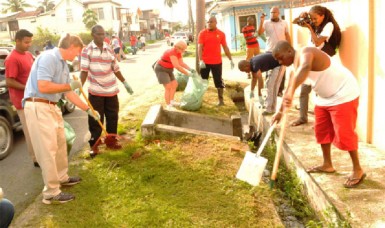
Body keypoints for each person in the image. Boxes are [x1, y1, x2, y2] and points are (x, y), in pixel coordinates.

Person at [271, 41, 365, 188]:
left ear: (289, 51)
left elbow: (306, 67)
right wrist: (280, 112)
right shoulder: (293, 70)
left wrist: (291, 90)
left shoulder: (307, 51)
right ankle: (327, 164)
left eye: (280, 57)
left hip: (344, 94)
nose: (280, 61)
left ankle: (357, 169)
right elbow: (290, 88)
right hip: (324, 98)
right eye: (277, 60)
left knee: (344, 133)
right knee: (321, 131)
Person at [23, 34, 100, 204]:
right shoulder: (49, 58)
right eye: (78, 52)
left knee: (60, 144)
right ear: (71, 46)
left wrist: (88, 110)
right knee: (47, 150)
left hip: (52, 105)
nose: (77, 56)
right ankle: (51, 192)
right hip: (38, 105)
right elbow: (43, 85)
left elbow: (69, 93)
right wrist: (68, 86)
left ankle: (62, 177)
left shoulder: (64, 65)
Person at [80, 25, 134, 158]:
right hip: (96, 91)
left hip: (111, 90)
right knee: (95, 120)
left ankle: (111, 142)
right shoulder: (87, 51)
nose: (102, 37)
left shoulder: (109, 48)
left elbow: (115, 68)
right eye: (99, 34)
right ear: (93, 35)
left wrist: (125, 82)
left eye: (104, 34)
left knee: (112, 117)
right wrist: (78, 87)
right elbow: (84, 71)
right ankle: (94, 146)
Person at [291, 5, 341, 126]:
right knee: (304, 91)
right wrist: (301, 16)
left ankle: (323, 121)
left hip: (321, 63)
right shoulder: (314, 23)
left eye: (315, 18)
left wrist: (310, 28)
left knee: (321, 93)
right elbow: (294, 22)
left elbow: (318, 42)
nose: (313, 21)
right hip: (311, 61)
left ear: (322, 16)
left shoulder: (329, 25)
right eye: (311, 19)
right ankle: (303, 117)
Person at [4, 29, 39, 168]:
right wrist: (28, 87)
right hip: (22, 102)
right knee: (30, 132)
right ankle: (36, 159)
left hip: (34, 98)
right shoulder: (12, 58)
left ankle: (42, 155)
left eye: (30, 41)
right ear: (17, 41)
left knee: (38, 130)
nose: (29, 44)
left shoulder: (28, 55)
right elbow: (9, 81)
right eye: (26, 42)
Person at [198, 16, 234, 106]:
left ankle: (221, 101)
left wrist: (230, 59)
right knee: (202, 81)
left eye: (211, 22)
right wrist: (200, 60)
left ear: (216, 23)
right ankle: (199, 100)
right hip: (205, 62)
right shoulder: (202, 33)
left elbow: (225, 47)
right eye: (208, 22)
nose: (209, 23)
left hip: (217, 62)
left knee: (218, 81)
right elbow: (200, 47)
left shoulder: (221, 34)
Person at [258, 6, 291, 100]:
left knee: (281, 72)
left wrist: (290, 48)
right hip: (270, 51)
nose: (272, 14)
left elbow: (287, 35)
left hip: (282, 51)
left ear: (278, 13)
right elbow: (259, 33)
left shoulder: (284, 23)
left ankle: (279, 91)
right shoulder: (266, 22)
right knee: (269, 71)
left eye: (274, 12)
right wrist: (261, 21)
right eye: (271, 12)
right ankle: (269, 90)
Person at [154, 40, 194, 109]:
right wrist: (188, 73)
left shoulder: (178, 52)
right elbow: (177, 66)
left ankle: (172, 101)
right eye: (182, 49)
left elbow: (181, 63)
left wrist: (190, 69)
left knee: (175, 84)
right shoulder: (172, 52)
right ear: (176, 47)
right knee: (168, 87)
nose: (183, 51)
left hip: (169, 69)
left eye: (184, 49)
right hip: (161, 69)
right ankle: (168, 105)